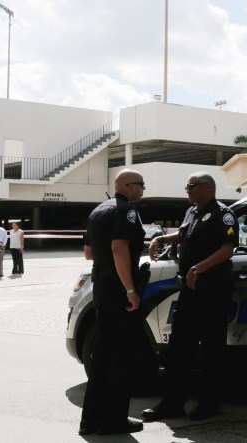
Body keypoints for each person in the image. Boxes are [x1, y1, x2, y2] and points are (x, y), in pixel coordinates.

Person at [142, 171, 238, 422]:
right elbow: (185, 234)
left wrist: (198, 268)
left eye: (191, 185)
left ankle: (208, 404)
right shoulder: (192, 211)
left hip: (212, 289)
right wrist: (163, 237)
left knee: (210, 350)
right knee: (178, 349)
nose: (186, 189)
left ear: (206, 188)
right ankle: (172, 403)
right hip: (189, 290)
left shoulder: (223, 214)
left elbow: (227, 249)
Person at [79, 169, 146, 436]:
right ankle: (114, 421)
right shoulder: (126, 210)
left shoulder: (98, 211)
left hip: (102, 288)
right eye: (141, 185)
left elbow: (88, 253)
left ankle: (90, 421)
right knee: (121, 358)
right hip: (119, 291)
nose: (143, 189)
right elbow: (119, 248)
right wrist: (131, 289)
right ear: (129, 186)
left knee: (102, 357)